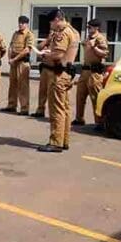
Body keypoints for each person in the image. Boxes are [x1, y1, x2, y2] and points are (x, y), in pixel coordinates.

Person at [38, 9, 80, 152]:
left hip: (59, 74)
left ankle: (56, 142)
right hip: (67, 73)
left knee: (56, 109)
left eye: (51, 22)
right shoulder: (74, 31)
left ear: (57, 19)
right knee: (65, 108)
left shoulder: (62, 33)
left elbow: (58, 54)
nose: (51, 26)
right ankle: (64, 140)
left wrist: (44, 55)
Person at [73, 19, 109, 127]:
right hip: (85, 71)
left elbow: (105, 54)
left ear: (96, 28)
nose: (88, 29)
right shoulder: (88, 38)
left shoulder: (100, 39)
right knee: (80, 96)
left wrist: (95, 47)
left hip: (95, 72)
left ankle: (99, 122)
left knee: (95, 98)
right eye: (88, 27)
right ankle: (79, 118)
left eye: (90, 27)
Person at [3, 15, 35, 115]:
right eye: (19, 22)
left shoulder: (29, 35)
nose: (20, 24)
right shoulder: (15, 34)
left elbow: (27, 50)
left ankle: (24, 108)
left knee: (23, 86)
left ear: (26, 24)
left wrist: (15, 59)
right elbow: (10, 46)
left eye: (23, 23)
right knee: (13, 85)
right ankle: (12, 105)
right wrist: (9, 58)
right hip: (13, 62)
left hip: (22, 63)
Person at [32, 35, 54, 118]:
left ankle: (53, 113)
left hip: (53, 69)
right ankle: (40, 110)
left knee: (51, 93)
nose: (52, 32)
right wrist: (47, 40)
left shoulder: (60, 40)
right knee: (42, 91)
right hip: (45, 67)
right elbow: (38, 47)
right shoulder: (49, 41)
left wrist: (47, 52)